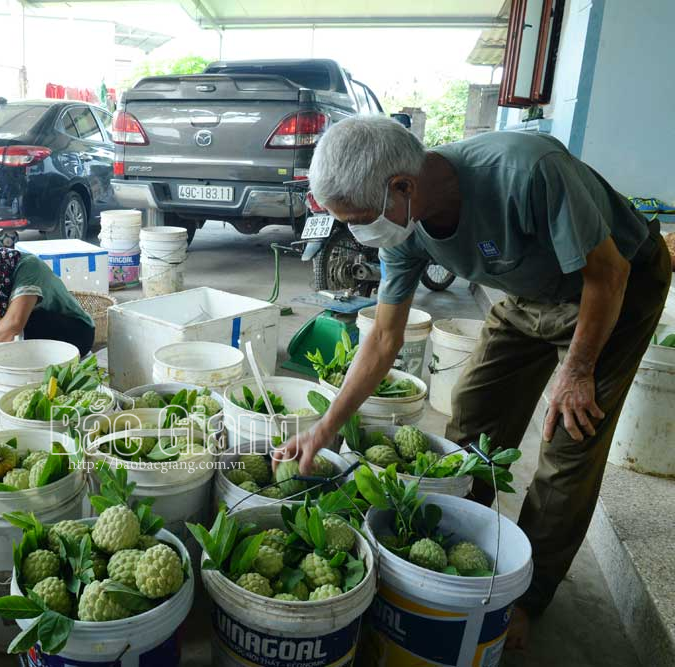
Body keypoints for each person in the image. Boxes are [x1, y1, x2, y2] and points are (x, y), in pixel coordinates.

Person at [277, 116, 670, 647]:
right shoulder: (405, 226)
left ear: (403, 187)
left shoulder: (528, 172)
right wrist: (326, 427)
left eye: (363, 218)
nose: (361, 233)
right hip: (528, 289)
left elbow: (608, 274)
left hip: (614, 285)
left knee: (569, 440)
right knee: (473, 419)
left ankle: (528, 595)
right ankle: (459, 543)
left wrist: (577, 371)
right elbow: (383, 339)